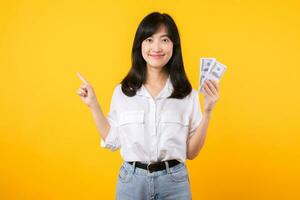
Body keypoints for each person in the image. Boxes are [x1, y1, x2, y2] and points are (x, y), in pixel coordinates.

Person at [76, 12, 219, 200]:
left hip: (174, 184)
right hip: (131, 183)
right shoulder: (122, 92)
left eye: (165, 40)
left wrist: (208, 111)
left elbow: (192, 152)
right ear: (140, 45)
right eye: (149, 39)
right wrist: (93, 105)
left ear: (174, 46)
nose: (156, 47)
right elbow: (112, 139)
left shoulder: (187, 94)